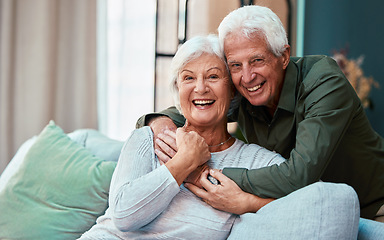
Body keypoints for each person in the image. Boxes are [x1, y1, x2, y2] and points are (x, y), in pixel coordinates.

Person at [80, 35, 359, 239]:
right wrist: (183, 163)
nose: (200, 88)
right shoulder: (149, 139)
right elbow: (124, 215)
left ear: (233, 91)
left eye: (213, 77)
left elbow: (318, 203)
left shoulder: (257, 162)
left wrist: (248, 203)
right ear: (177, 91)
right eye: (188, 78)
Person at [137, 5, 384, 224]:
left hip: (375, 207)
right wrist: (160, 123)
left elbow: (299, 175)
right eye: (235, 65)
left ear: (284, 56)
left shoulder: (323, 81)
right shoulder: (244, 91)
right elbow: (200, 103)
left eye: (257, 60)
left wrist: (208, 175)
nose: (247, 76)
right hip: (309, 209)